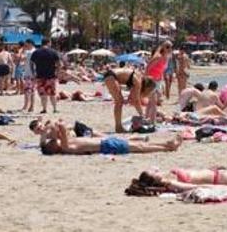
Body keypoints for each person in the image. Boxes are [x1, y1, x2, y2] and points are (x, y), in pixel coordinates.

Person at [40, 120, 182, 155]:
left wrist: (50, 128)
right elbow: (62, 128)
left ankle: (166, 144)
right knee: (138, 147)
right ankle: (168, 147)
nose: (53, 140)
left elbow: (58, 130)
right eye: (51, 142)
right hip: (106, 146)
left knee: (134, 145)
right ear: (53, 149)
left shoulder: (64, 144)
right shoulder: (65, 147)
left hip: (106, 142)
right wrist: (55, 125)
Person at [102, 67, 156, 133]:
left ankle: (118, 127)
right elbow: (135, 100)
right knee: (119, 102)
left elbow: (132, 98)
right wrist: (142, 115)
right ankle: (118, 127)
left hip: (111, 75)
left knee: (119, 101)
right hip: (111, 76)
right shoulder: (138, 81)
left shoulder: (138, 78)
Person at [145, 41, 173, 124]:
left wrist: (164, 80)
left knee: (151, 102)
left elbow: (162, 70)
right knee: (154, 102)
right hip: (151, 80)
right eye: (167, 47)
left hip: (158, 81)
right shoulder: (158, 57)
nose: (169, 49)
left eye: (170, 47)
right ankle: (152, 122)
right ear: (162, 47)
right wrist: (147, 80)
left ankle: (146, 118)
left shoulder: (167, 57)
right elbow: (147, 68)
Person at [30, 39, 61, 114]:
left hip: (40, 76)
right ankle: (55, 109)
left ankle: (44, 109)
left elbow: (31, 63)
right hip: (51, 76)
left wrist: (33, 72)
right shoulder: (53, 52)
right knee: (52, 93)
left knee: (43, 94)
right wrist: (57, 72)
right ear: (48, 43)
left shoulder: (36, 52)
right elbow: (59, 64)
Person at [20, 40, 37, 112]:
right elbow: (22, 59)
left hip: (30, 74)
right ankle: (30, 106)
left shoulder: (31, 52)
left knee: (28, 90)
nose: (25, 46)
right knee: (31, 91)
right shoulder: (30, 52)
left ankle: (27, 106)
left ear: (30, 44)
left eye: (26, 45)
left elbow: (31, 64)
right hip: (30, 73)